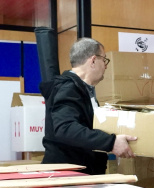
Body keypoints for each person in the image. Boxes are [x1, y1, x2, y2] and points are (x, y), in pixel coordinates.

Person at [40, 37, 136, 174]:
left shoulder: (83, 90)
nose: (106, 65)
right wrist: (111, 142)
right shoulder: (69, 89)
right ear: (93, 61)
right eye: (104, 60)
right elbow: (65, 128)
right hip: (68, 178)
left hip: (80, 174)